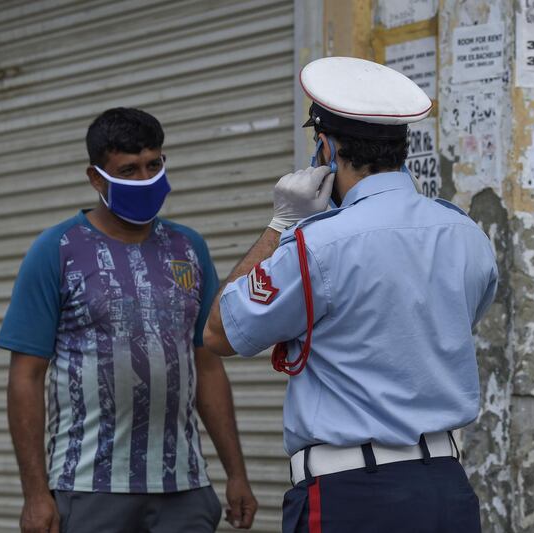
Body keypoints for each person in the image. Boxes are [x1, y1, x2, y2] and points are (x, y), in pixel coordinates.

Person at [203, 57, 498, 532]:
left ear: (326, 146)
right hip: (446, 491)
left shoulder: (318, 243)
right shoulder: (467, 235)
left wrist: (281, 224)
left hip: (352, 497)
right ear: (401, 147)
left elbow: (218, 332)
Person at [0, 107, 257, 533]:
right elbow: (25, 377)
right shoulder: (57, 250)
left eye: (154, 165)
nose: (145, 179)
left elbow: (207, 365)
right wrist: (35, 494)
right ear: (97, 178)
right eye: (129, 169)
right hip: (89, 487)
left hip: (184, 487)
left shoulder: (188, 248)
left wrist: (237, 473)